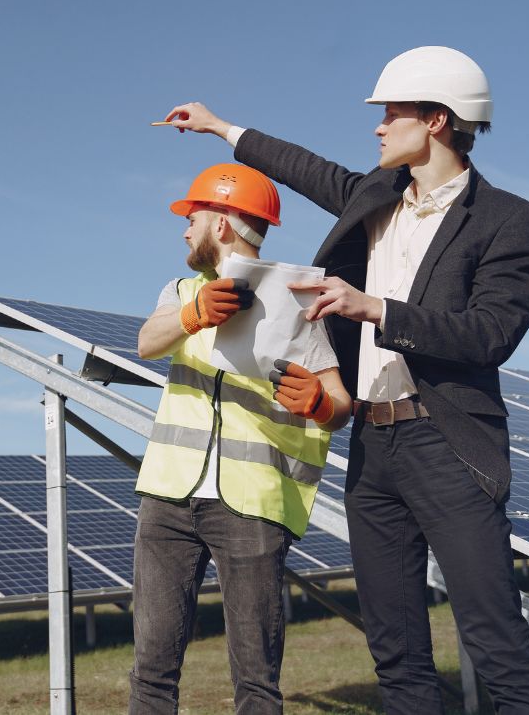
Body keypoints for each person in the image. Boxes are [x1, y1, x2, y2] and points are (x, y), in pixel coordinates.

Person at [162, 46, 529, 714]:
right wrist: (219, 126)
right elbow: (302, 166)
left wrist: (374, 307)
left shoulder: (510, 220)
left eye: (391, 114)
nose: (377, 127)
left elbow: (492, 333)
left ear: (436, 120)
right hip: (373, 454)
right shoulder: (374, 196)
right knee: (397, 655)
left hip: (448, 447)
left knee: (497, 647)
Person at [131, 162, 351, 714]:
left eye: (193, 216)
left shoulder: (299, 301)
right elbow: (146, 343)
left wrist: (322, 404)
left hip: (252, 504)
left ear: (223, 224)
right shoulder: (180, 290)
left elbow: (339, 402)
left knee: (256, 681)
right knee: (151, 672)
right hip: (168, 499)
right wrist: (192, 315)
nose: (185, 229)